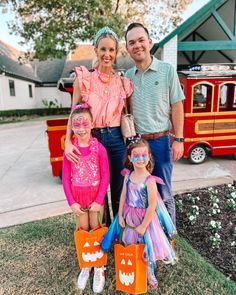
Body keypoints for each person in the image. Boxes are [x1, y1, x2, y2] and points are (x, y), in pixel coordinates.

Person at [64, 27, 133, 224]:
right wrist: (69, 142)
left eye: (111, 50)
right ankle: (102, 231)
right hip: (91, 139)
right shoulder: (84, 79)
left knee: (118, 189)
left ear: (116, 52)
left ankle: (118, 231)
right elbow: (73, 114)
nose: (107, 54)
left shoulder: (123, 83)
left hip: (116, 138)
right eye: (103, 49)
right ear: (96, 50)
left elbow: (126, 115)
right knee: (97, 190)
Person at [124, 23, 185, 225]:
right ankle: (148, 233)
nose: (137, 45)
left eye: (141, 40)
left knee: (164, 192)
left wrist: (179, 139)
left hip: (160, 142)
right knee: (141, 193)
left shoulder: (167, 70)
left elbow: (177, 106)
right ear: (127, 48)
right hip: (137, 145)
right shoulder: (127, 77)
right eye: (131, 42)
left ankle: (169, 236)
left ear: (149, 42)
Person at [101, 138, 177, 289]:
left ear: (149, 156)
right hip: (129, 215)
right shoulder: (128, 176)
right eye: (136, 155)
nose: (140, 159)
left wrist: (143, 225)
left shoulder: (150, 180)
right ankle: (134, 263)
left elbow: (152, 206)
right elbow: (123, 195)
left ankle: (149, 271)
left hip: (145, 220)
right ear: (130, 158)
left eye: (144, 155)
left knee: (146, 245)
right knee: (131, 241)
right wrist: (121, 215)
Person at [62, 103, 110, 293]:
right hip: (78, 196)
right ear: (72, 126)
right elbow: (65, 178)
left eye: (85, 124)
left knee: (96, 228)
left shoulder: (100, 149)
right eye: (76, 125)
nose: (81, 129)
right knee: (83, 230)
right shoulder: (69, 150)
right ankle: (86, 264)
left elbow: (106, 175)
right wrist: (71, 202)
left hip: (95, 197)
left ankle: (99, 267)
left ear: (92, 125)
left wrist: (99, 200)